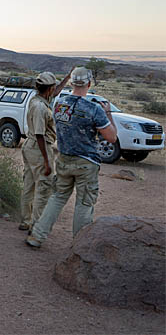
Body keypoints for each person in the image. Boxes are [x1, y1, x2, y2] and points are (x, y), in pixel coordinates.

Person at [26, 67, 117, 248]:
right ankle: (80, 246)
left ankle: (37, 235)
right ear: (89, 84)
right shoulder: (94, 109)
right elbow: (112, 137)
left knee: (57, 197)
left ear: (72, 83)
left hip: (64, 159)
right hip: (86, 163)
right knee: (84, 203)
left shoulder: (58, 103)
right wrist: (108, 113)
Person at [18, 69, 73, 232]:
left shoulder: (36, 100)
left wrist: (67, 77)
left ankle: (26, 220)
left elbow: (54, 93)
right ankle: (36, 226)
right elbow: (40, 135)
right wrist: (47, 162)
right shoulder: (41, 108)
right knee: (44, 187)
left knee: (29, 185)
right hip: (39, 147)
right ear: (48, 89)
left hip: (29, 145)